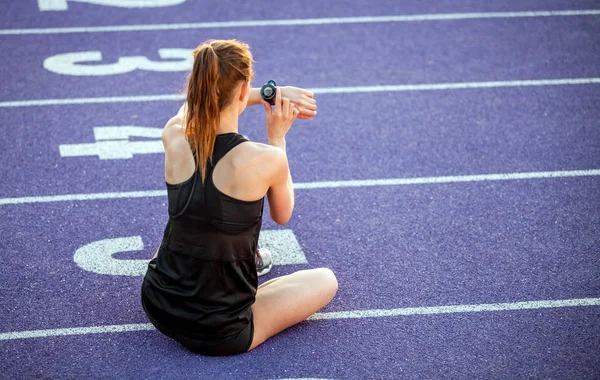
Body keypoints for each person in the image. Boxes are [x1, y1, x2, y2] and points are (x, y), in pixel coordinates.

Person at [141, 39, 338, 356]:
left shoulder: (173, 134)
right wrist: (277, 136)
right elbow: (283, 213)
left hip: (159, 305)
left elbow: (193, 108)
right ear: (244, 91)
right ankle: (245, 266)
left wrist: (265, 93)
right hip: (222, 331)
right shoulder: (266, 159)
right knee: (325, 281)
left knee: (190, 224)